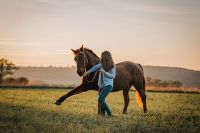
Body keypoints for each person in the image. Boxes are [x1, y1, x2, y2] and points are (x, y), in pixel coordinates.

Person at [84, 51, 116, 116]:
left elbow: (113, 76)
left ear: (106, 57)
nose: (101, 57)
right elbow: (95, 68)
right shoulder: (101, 64)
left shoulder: (112, 66)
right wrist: (88, 72)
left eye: (102, 56)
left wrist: (104, 72)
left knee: (100, 100)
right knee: (102, 100)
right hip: (101, 86)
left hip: (108, 85)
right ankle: (102, 115)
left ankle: (110, 114)